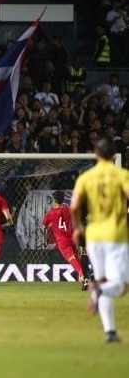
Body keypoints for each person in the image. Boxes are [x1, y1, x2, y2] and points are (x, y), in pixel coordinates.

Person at [70, 136, 129, 343]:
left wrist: (78, 228)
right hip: (115, 235)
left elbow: (75, 206)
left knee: (103, 279)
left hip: (94, 236)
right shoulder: (121, 174)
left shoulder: (86, 178)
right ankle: (99, 290)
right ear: (114, 155)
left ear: (95, 154)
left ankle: (110, 331)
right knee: (121, 285)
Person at [41, 190, 86, 289]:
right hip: (72, 237)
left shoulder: (50, 213)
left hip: (62, 241)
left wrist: (51, 225)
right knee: (75, 257)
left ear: (54, 201)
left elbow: (44, 226)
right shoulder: (69, 210)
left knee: (71, 258)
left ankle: (82, 274)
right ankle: (82, 277)